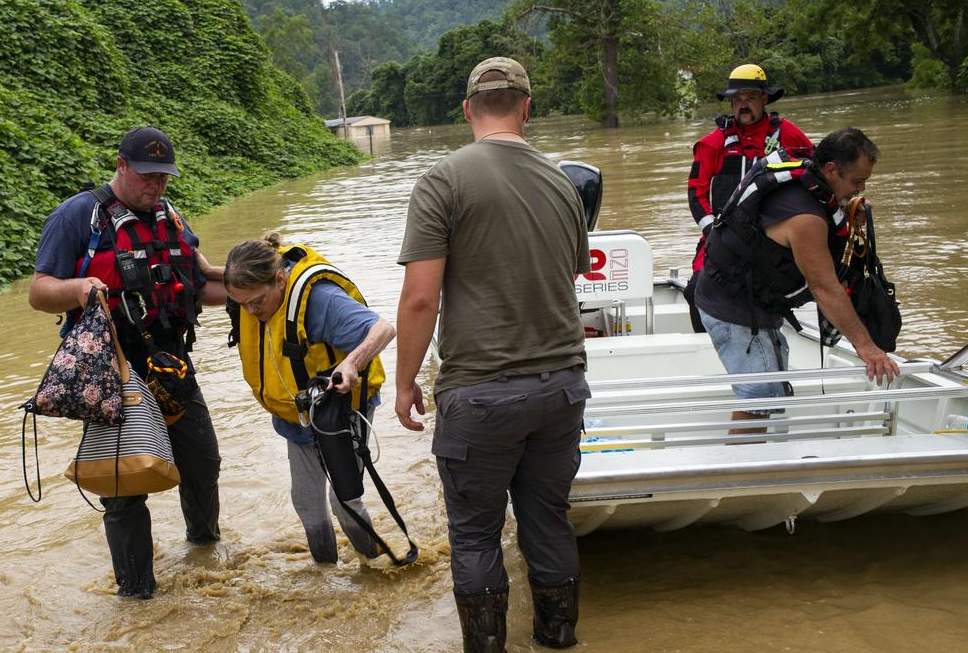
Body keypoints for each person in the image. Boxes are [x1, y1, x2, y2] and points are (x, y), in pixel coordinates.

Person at [394, 57, 592, 652]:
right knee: (549, 522)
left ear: (467, 110)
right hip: (561, 386)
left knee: (476, 536)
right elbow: (571, 275)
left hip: (481, 392)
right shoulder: (564, 182)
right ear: (526, 108)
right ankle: (559, 638)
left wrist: (404, 383)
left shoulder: (443, 180)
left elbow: (421, 297)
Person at [29, 125, 224, 599]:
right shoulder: (80, 215)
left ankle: (205, 553)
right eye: (146, 176)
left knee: (203, 464)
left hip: (171, 367)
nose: (155, 186)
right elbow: (38, 292)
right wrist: (77, 289)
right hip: (114, 373)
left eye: (163, 178)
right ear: (121, 166)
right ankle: (137, 596)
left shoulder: (170, 217)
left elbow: (203, 285)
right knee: (123, 487)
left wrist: (262, 289)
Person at [695, 127, 901, 436]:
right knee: (759, 400)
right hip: (733, 309)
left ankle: (759, 460)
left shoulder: (808, 176)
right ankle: (740, 477)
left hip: (744, 297)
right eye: (856, 182)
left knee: (770, 393)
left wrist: (846, 209)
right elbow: (824, 288)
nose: (859, 190)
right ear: (830, 169)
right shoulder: (806, 219)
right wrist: (867, 348)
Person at [221, 233, 394, 563]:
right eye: (242, 303)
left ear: (280, 279)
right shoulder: (247, 294)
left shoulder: (320, 300)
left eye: (256, 301)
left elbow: (383, 329)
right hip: (296, 413)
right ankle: (324, 572)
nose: (250, 310)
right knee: (306, 501)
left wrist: (352, 362)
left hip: (339, 409)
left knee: (344, 502)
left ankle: (374, 566)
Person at [685, 64, 814, 332]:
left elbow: (818, 174)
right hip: (721, 236)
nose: (743, 106)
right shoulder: (713, 143)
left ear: (764, 99)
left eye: (750, 98)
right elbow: (696, 192)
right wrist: (711, 230)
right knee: (696, 289)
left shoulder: (788, 134)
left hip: (772, 237)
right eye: (737, 100)